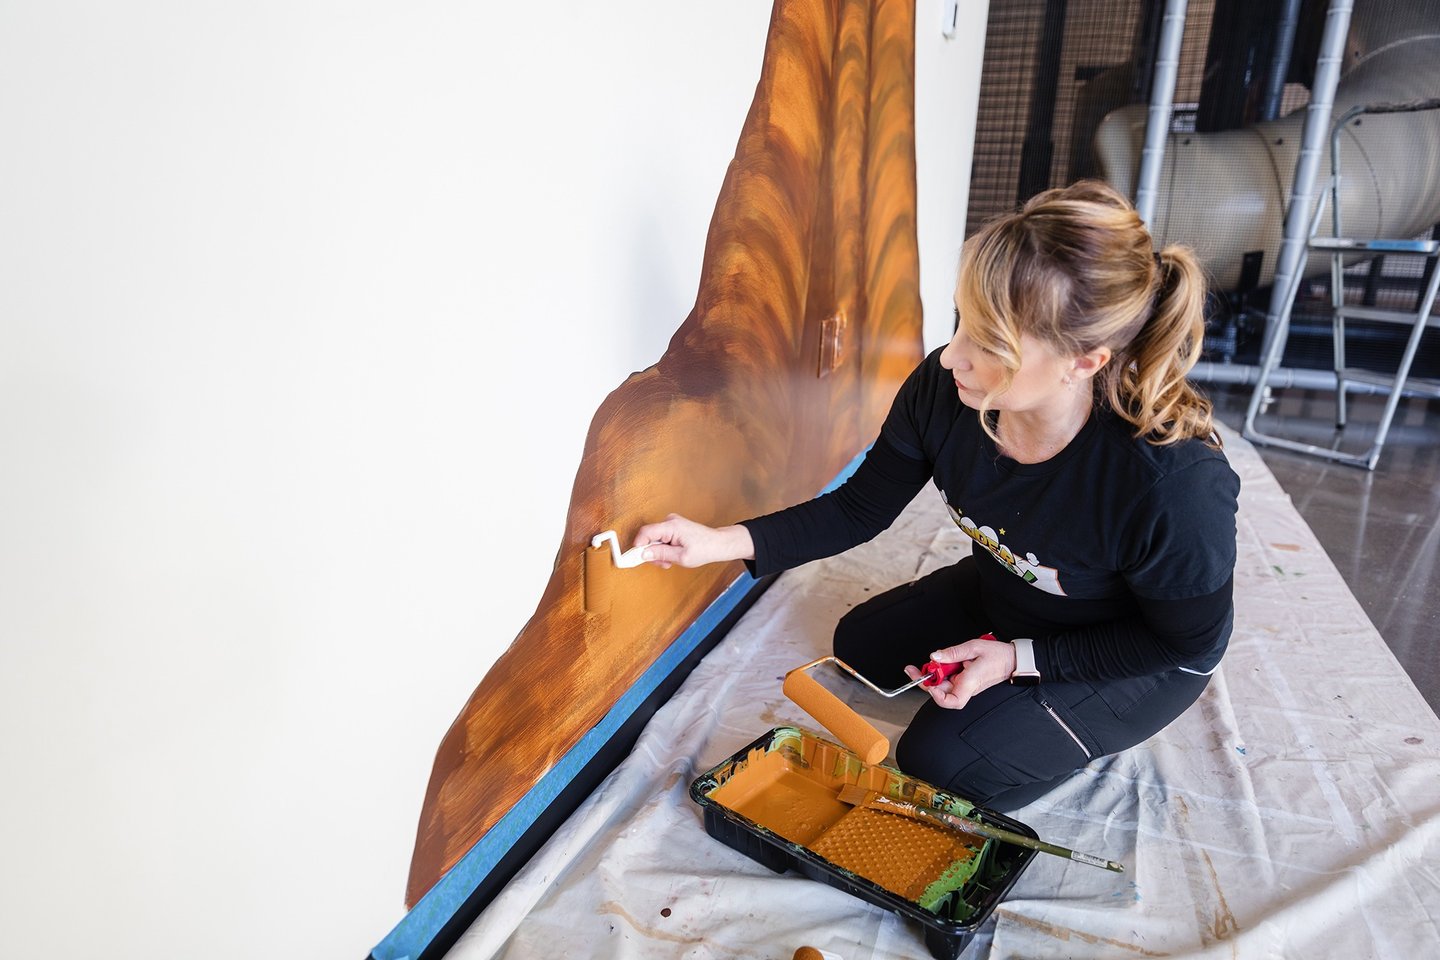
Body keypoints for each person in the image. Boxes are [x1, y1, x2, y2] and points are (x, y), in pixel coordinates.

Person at [633, 181, 1239, 811]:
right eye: (961, 322)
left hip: (1137, 654)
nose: (952, 357)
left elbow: (1184, 645)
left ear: (1082, 362)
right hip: (1016, 591)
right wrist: (718, 542)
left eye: (990, 343)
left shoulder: (1174, 486)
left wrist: (1017, 660)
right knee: (861, 647)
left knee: (936, 765)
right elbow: (858, 508)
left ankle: (1066, 727)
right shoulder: (947, 388)